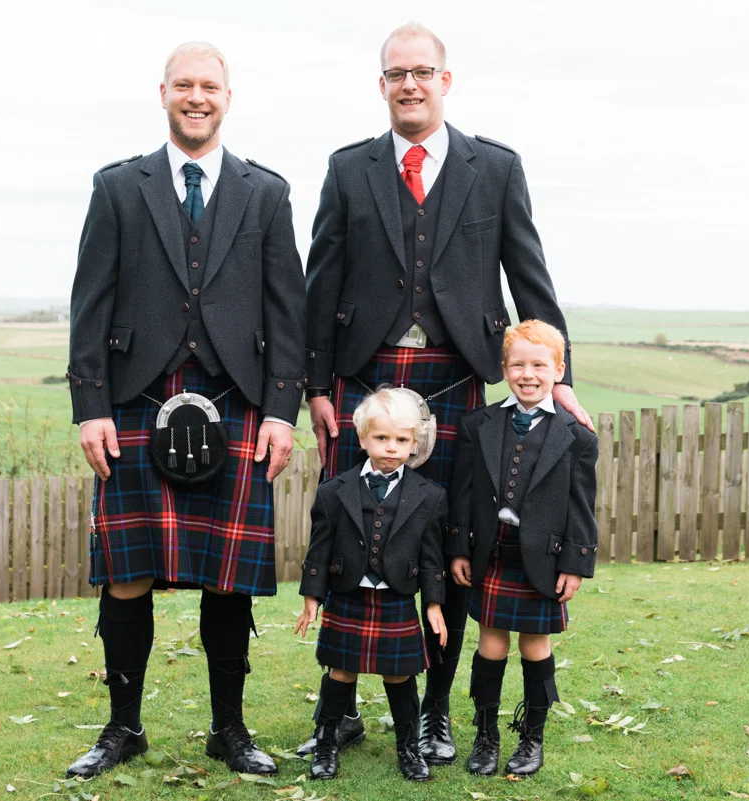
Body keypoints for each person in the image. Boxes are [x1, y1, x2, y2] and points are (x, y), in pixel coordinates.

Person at [300, 20, 593, 763]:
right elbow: (321, 281)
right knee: (351, 537)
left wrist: (560, 378)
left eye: (423, 72)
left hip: (457, 376)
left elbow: (529, 273)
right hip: (363, 378)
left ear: (445, 80)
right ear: (382, 84)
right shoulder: (348, 168)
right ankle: (340, 710)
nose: (410, 84)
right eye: (397, 73)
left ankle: (434, 711)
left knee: (452, 542)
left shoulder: (494, 167)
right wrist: (315, 386)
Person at [64, 41, 306, 778]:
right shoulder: (118, 187)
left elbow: (287, 312)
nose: (196, 97)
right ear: (163, 93)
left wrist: (281, 410)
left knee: (228, 574)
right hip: (136, 400)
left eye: (209, 86)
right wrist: (90, 406)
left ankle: (229, 729)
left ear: (227, 98)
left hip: (236, 402)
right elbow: (89, 301)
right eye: (183, 85)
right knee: (127, 571)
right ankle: (123, 727)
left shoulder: (266, 193)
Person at [448, 319, 598, 776]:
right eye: (517, 365)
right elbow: (462, 494)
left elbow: (581, 506)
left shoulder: (577, 436)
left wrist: (575, 563)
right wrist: (458, 549)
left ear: (559, 370)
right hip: (491, 555)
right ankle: (486, 737)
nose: (527, 374)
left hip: (543, 560)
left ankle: (532, 739)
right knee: (490, 644)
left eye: (539, 365)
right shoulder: (479, 424)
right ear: (504, 368)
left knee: (536, 648)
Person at [294, 387, 449, 782]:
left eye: (401, 440)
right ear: (363, 439)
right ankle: (326, 744)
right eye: (381, 437)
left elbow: (432, 558)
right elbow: (319, 550)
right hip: (348, 596)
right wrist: (312, 597)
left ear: (414, 444)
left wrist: (433, 605)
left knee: (400, 675)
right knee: (341, 672)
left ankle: (409, 748)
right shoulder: (334, 492)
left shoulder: (429, 497)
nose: (391, 447)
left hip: (397, 599)